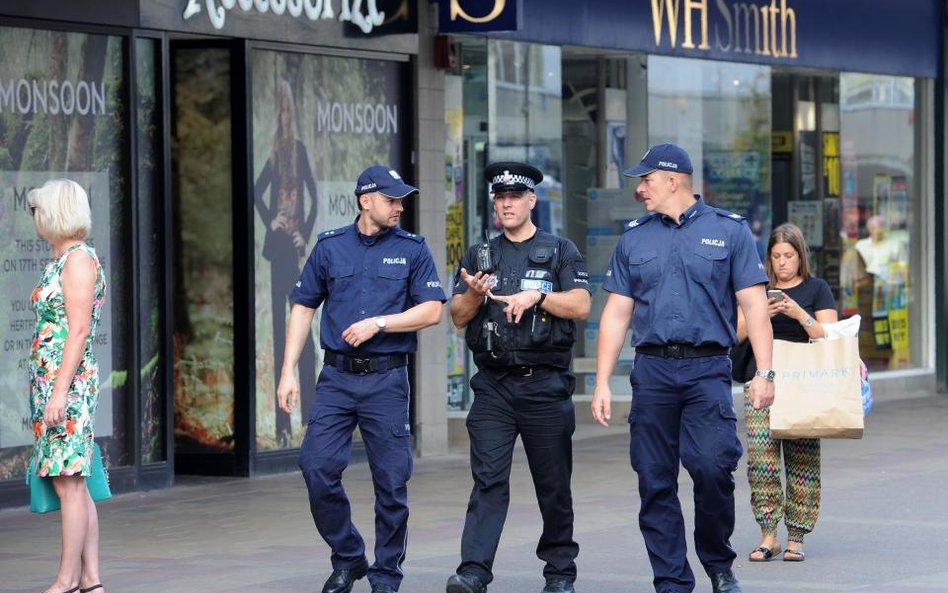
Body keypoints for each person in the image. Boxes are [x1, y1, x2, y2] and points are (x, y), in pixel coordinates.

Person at [590, 144, 775, 593]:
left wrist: (765, 373)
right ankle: (671, 580)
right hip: (652, 373)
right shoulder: (634, 237)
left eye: (646, 180)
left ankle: (717, 562)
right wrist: (601, 383)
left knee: (713, 468)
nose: (639, 190)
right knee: (654, 479)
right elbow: (616, 314)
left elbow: (753, 306)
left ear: (673, 180)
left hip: (707, 369)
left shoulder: (729, 232)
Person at [276, 165, 446, 593]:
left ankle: (386, 574)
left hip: (387, 380)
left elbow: (432, 310)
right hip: (336, 378)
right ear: (364, 200)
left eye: (401, 199)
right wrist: (287, 373)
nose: (399, 207)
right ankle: (349, 557)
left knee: (391, 481)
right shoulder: (330, 247)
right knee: (315, 466)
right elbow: (302, 307)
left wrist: (380, 324)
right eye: (391, 199)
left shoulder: (412, 248)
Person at [446, 162, 591, 593]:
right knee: (488, 479)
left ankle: (560, 572)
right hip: (493, 386)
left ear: (531, 201)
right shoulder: (479, 255)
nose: (506, 204)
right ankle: (473, 570)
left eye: (514, 197)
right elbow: (456, 317)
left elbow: (582, 305)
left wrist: (538, 297)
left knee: (553, 485)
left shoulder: (560, 250)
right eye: (500, 198)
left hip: (545, 385)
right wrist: (473, 293)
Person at [736, 223, 837, 563]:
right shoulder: (757, 290)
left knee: (803, 460)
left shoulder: (816, 288)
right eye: (776, 256)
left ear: (800, 256)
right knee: (761, 461)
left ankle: (796, 536)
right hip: (761, 383)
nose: (782, 263)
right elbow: (734, 334)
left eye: (789, 256)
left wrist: (798, 313)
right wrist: (761, 312)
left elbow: (829, 334)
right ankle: (768, 535)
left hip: (803, 385)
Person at [28, 179, 108, 593]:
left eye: (38, 209)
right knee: (74, 481)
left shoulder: (77, 260)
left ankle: (67, 580)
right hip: (58, 384)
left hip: (68, 385)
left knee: (69, 482)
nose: (35, 217)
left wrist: (59, 392)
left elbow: (77, 332)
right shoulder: (65, 258)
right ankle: (90, 580)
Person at [254, 78, 319, 444]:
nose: (283, 117)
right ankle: (282, 423)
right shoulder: (276, 153)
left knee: (303, 327)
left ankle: (309, 412)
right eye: (279, 111)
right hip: (277, 251)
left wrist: (303, 235)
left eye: (285, 110)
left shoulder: (298, 150)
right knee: (282, 331)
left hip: (294, 251)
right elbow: (256, 192)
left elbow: (313, 196)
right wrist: (271, 221)